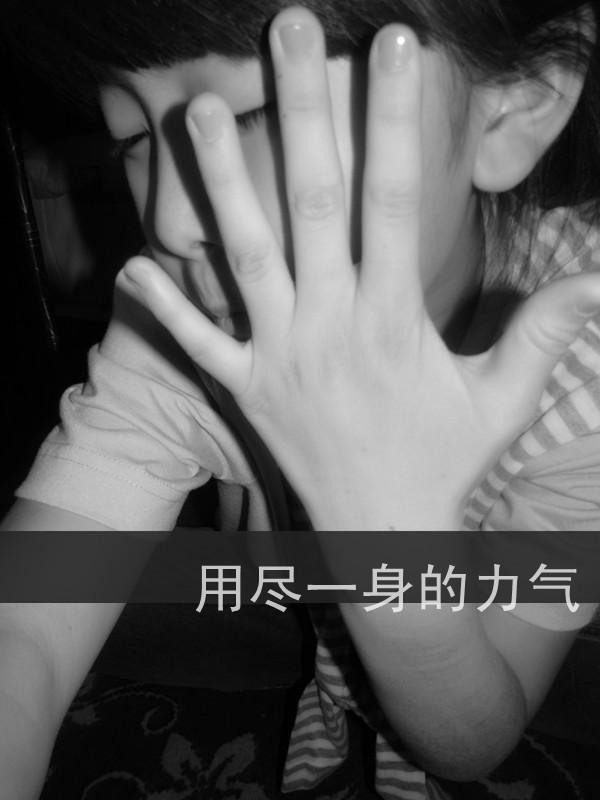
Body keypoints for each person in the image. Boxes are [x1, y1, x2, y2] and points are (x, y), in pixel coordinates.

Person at [1, 0, 600, 798]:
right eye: (133, 138)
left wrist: (382, 538)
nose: (171, 220)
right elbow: (27, 622)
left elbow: (471, 745)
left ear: (514, 106)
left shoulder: (583, 376)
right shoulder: (185, 318)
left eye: (260, 114)